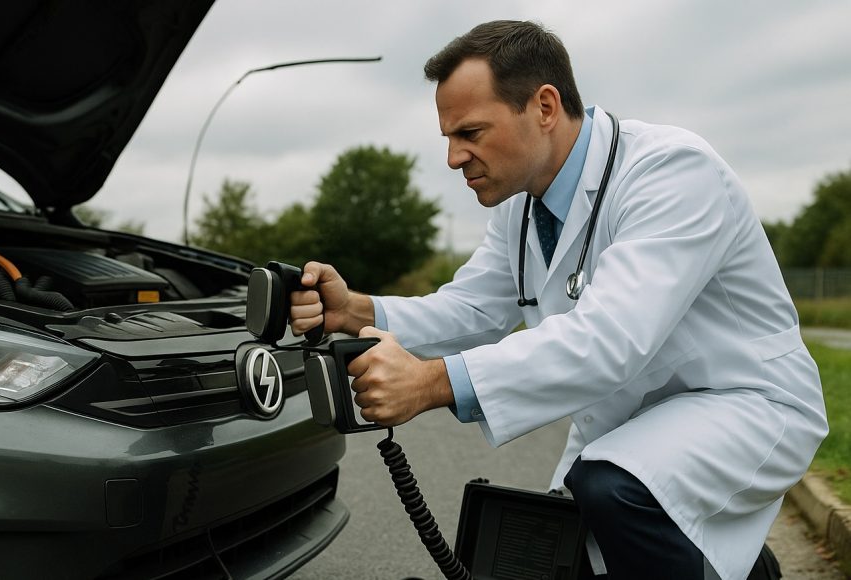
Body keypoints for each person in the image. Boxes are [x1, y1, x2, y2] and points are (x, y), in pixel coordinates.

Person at [288, 20, 827, 580]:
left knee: (612, 488)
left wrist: (430, 382)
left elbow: (610, 338)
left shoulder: (672, 172)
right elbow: (472, 309)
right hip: (635, 423)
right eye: (448, 136)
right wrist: (355, 310)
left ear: (544, 107)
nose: (453, 157)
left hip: (745, 402)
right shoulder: (521, 209)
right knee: (561, 550)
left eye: (470, 132)